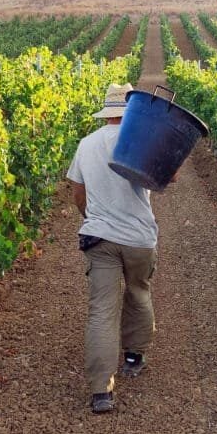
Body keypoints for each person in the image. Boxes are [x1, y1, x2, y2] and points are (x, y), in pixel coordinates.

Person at [66, 82, 162, 414]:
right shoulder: (139, 141)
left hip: (100, 239)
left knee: (102, 311)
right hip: (139, 238)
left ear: (107, 112)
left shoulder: (86, 144)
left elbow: (78, 193)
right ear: (131, 111)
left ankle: (101, 392)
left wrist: (94, 217)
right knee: (138, 291)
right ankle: (134, 357)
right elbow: (168, 178)